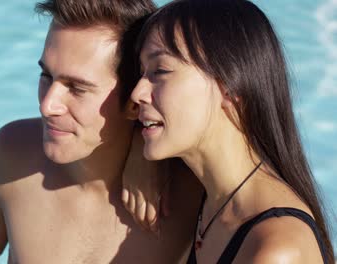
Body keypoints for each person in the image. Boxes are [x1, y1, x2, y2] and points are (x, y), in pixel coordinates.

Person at [0, 0, 202, 263]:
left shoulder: (193, 190)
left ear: (134, 100)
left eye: (76, 88)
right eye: (46, 76)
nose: (47, 105)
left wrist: (145, 153)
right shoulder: (11, 153)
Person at [126, 0, 335, 263]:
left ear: (230, 87)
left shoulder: (277, 250)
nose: (137, 93)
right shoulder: (214, 201)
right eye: (142, 73)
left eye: (160, 71)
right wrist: (138, 157)